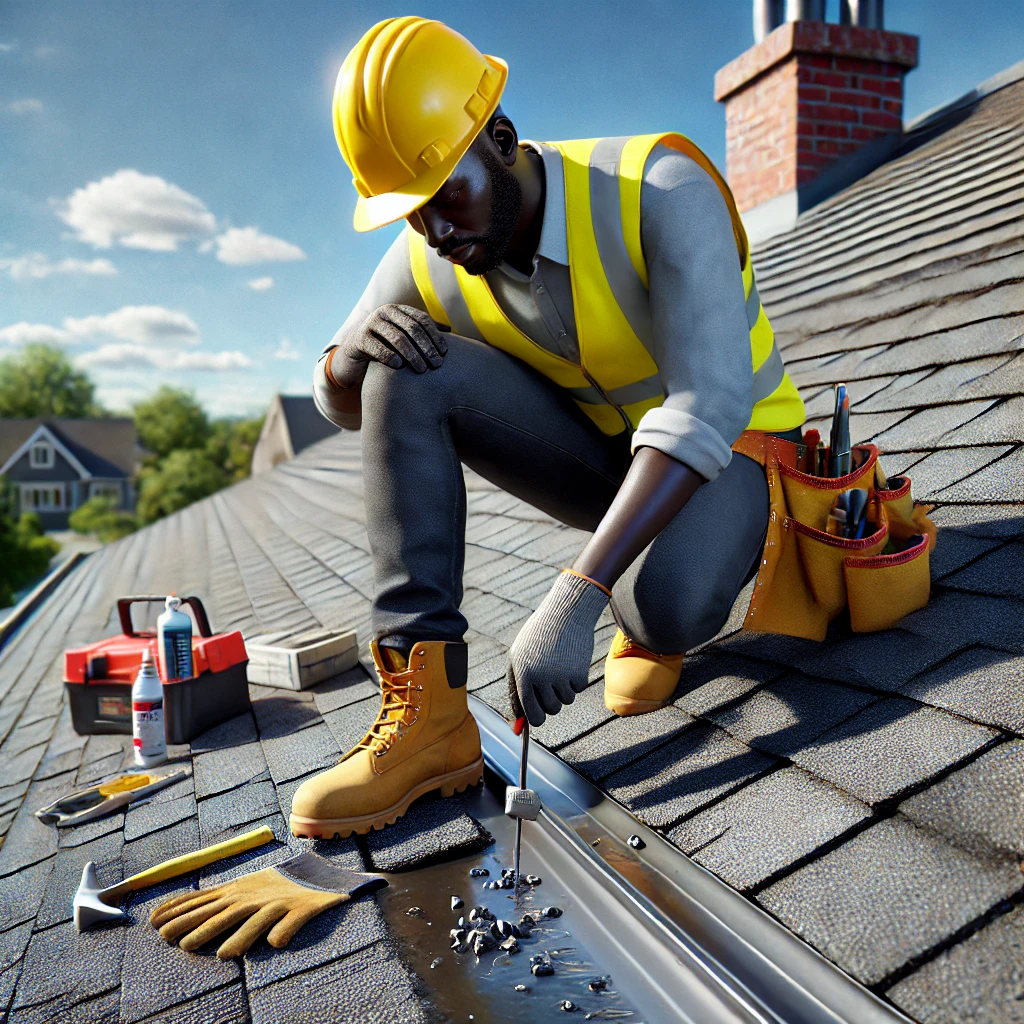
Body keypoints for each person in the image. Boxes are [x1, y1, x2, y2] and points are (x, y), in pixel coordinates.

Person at [289, 16, 805, 841]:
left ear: (500, 138)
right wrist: (343, 358)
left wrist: (579, 594)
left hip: (734, 459)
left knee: (665, 604)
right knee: (397, 359)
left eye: (445, 198)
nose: (436, 234)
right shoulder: (431, 249)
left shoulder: (660, 189)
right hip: (610, 469)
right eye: (412, 216)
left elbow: (706, 406)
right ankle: (429, 719)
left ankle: (649, 610)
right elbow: (339, 402)